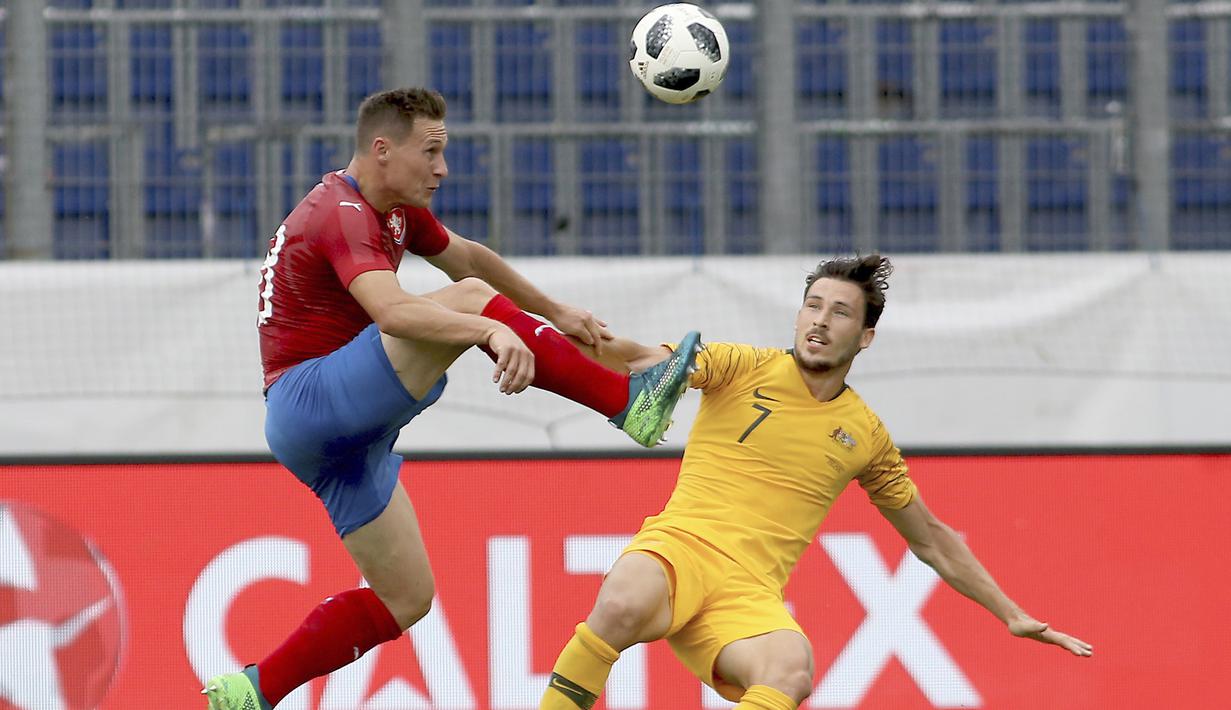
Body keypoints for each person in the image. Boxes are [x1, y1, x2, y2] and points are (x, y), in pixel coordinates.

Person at [201, 87, 701, 709]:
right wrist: (489, 327)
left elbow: (468, 256)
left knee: (406, 598)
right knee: (466, 302)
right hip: (310, 400)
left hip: (343, 438)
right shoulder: (341, 210)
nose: (443, 169)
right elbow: (391, 311)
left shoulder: (395, 208)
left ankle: (253, 689)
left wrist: (551, 309)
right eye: (431, 152)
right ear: (382, 151)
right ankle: (628, 401)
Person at [539, 255, 1093, 710]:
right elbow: (641, 360)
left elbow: (930, 539)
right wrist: (526, 327)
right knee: (621, 602)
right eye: (813, 306)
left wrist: (1010, 612)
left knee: (790, 670)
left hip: (748, 594)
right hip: (679, 549)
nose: (821, 322)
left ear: (866, 336)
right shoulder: (740, 365)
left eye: (841, 313)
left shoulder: (867, 436)